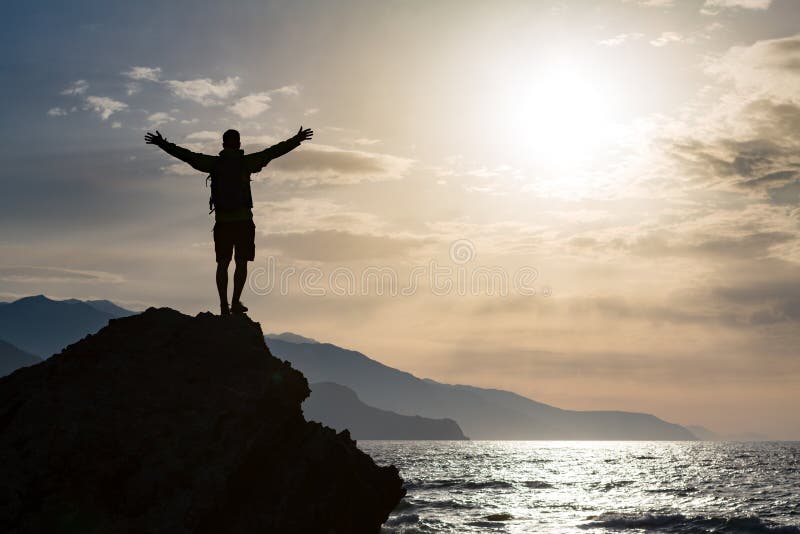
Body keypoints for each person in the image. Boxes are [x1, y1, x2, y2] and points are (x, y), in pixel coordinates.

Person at [145, 126, 313, 315]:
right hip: (243, 221)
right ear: (239, 143)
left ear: (223, 144)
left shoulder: (214, 164)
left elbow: (187, 156)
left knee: (223, 263)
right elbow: (273, 152)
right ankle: (235, 303)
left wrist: (162, 143)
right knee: (241, 263)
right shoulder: (247, 162)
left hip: (223, 221)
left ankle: (224, 306)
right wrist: (297, 139)